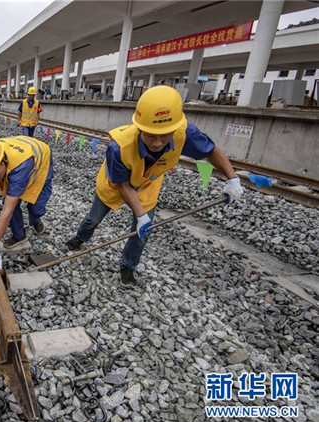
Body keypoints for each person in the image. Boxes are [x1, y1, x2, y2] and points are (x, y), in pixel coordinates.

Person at [64, 86, 244, 288]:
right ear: (140, 128)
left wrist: (232, 178)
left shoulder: (184, 133)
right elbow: (123, 185)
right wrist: (140, 215)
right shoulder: (119, 147)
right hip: (115, 184)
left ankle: (127, 268)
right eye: (150, 135)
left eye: (165, 135)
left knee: (142, 232)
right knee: (93, 219)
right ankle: (79, 238)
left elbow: (210, 151)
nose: (157, 143)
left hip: (148, 184)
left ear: (174, 128)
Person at [0, 134, 53, 268]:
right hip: (19, 158)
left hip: (40, 160)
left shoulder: (20, 165)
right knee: (8, 200)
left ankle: (36, 220)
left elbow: (8, 209)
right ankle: (19, 236)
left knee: (35, 208)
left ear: (3, 160)